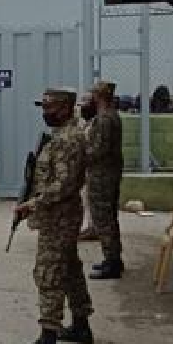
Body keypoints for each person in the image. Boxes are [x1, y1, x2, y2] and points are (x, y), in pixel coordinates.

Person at [11, 88, 94, 344]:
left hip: (60, 216)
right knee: (69, 269)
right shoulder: (59, 136)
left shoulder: (69, 139)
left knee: (48, 273)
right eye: (43, 107)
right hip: (58, 215)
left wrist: (32, 204)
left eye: (51, 107)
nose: (45, 112)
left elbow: (64, 185)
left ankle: (48, 341)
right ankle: (81, 324)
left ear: (67, 108)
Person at [87, 81, 126, 281]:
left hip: (102, 175)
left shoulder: (104, 119)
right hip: (109, 172)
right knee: (109, 217)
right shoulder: (112, 116)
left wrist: (80, 154)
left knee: (103, 218)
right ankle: (114, 258)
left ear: (98, 96)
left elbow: (98, 150)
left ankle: (112, 262)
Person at [77, 93, 98, 241]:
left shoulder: (97, 124)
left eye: (85, 107)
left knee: (91, 198)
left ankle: (94, 228)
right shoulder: (87, 123)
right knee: (86, 198)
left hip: (94, 168)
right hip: (86, 167)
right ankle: (91, 227)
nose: (82, 110)